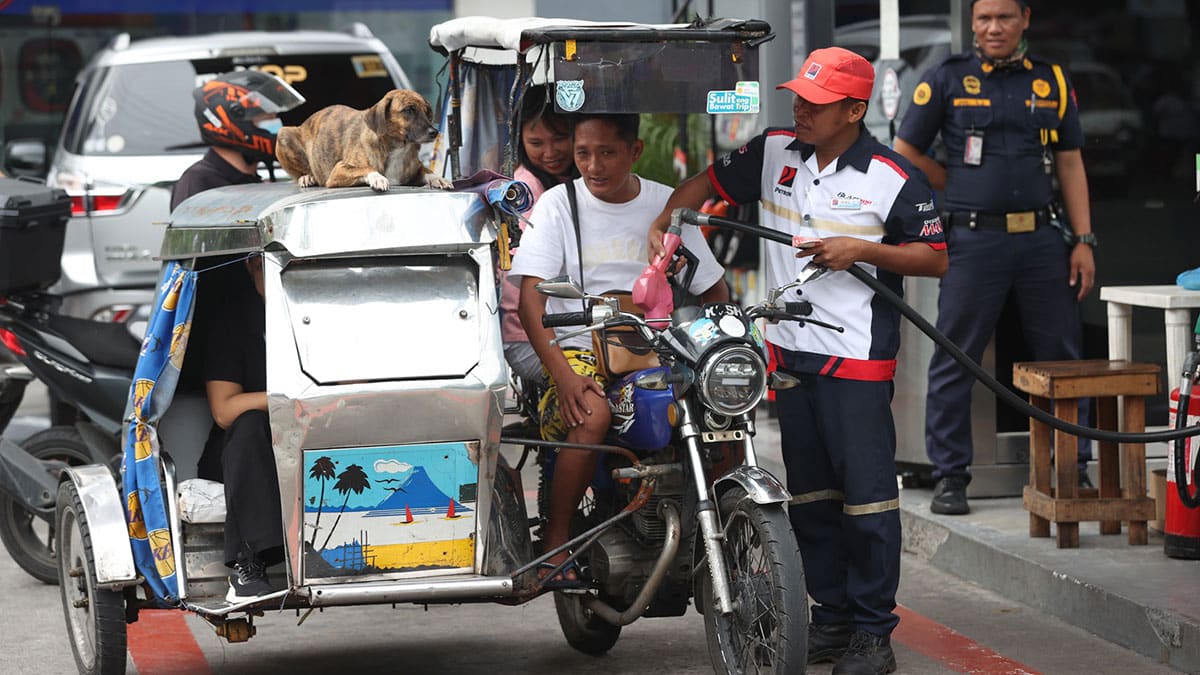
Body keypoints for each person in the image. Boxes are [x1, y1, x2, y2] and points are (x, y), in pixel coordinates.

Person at [648, 47, 948, 675]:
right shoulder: (775, 149)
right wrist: (668, 221)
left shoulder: (891, 176)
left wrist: (860, 250)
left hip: (854, 357)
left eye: (815, 103)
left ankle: (873, 635)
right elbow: (702, 188)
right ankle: (832, 619)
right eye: (798, 98)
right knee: (808, 497)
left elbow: (933, 258)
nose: (800, 110)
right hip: (786, 354)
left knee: (866, 501)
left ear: (854, 110)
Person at [892, 0, 1097, 516]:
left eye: (1004, 17)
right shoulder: (947, 78)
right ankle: (950, 476)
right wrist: (955, 187)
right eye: (984, 18)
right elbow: (906, 149)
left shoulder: (1049, 80)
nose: (993, 27)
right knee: (955, 356)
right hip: (973, 241)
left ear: (1026, 18)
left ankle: (1073, 469)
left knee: (1062, 358)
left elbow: (1070, 162)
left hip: (1042, 241)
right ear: (973, 24)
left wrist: (1084, 240)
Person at [510, 112, 729, 586]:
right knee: (590, 416)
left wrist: (717, 340)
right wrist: (565, 378)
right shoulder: (556, 205)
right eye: (582, 153)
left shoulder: (664, 205)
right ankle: (556, 542)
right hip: (578, 341)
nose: (592, 166)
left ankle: (726, 526)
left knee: (723, 410)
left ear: (635, 151)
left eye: (607, 153)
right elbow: (531, 301)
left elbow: (714, 290)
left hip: (656, 341)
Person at [173, 70, 303, 600]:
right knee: (250, 429)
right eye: (262, 119)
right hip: (219, 358)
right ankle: (249, 561)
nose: (273, 128)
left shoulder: (262, 179)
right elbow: (226, 410)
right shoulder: (199, 185)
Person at [501, 85, 577, 384]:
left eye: (560, 138)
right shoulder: (525, 190)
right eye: (536, 142)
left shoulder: (580, 182)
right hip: (531, 338)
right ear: (520, 140)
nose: (549, 152)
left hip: (573, 330)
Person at [171, 70, 305, 210]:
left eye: (274, 116)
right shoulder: (198, 182)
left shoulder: (252, 179)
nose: (275, 122)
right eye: (266, 116)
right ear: (229, 120)